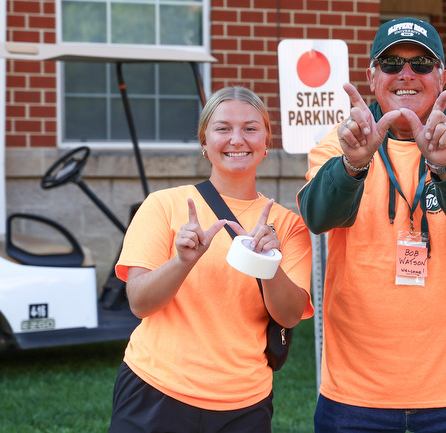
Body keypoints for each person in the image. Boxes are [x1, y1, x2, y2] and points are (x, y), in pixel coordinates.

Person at [297, 17, 446, 431]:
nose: (406, 74)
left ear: (442, 75)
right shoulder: (341, 142)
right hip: (356, 389)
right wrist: (352, 165)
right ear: (372, 76)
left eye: (422, 64)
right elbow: (318, 216)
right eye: (391, 63)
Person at [108, 86, 314, 432]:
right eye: (222, 128)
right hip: (155, 390)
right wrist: (182, 261)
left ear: (266, 142)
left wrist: (268, 263)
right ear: (205, 143)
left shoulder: (288, 226)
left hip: (243, 405)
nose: (237, 139)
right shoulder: (163, 205)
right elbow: (140, 303)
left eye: (250, 128)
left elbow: (290, 315)